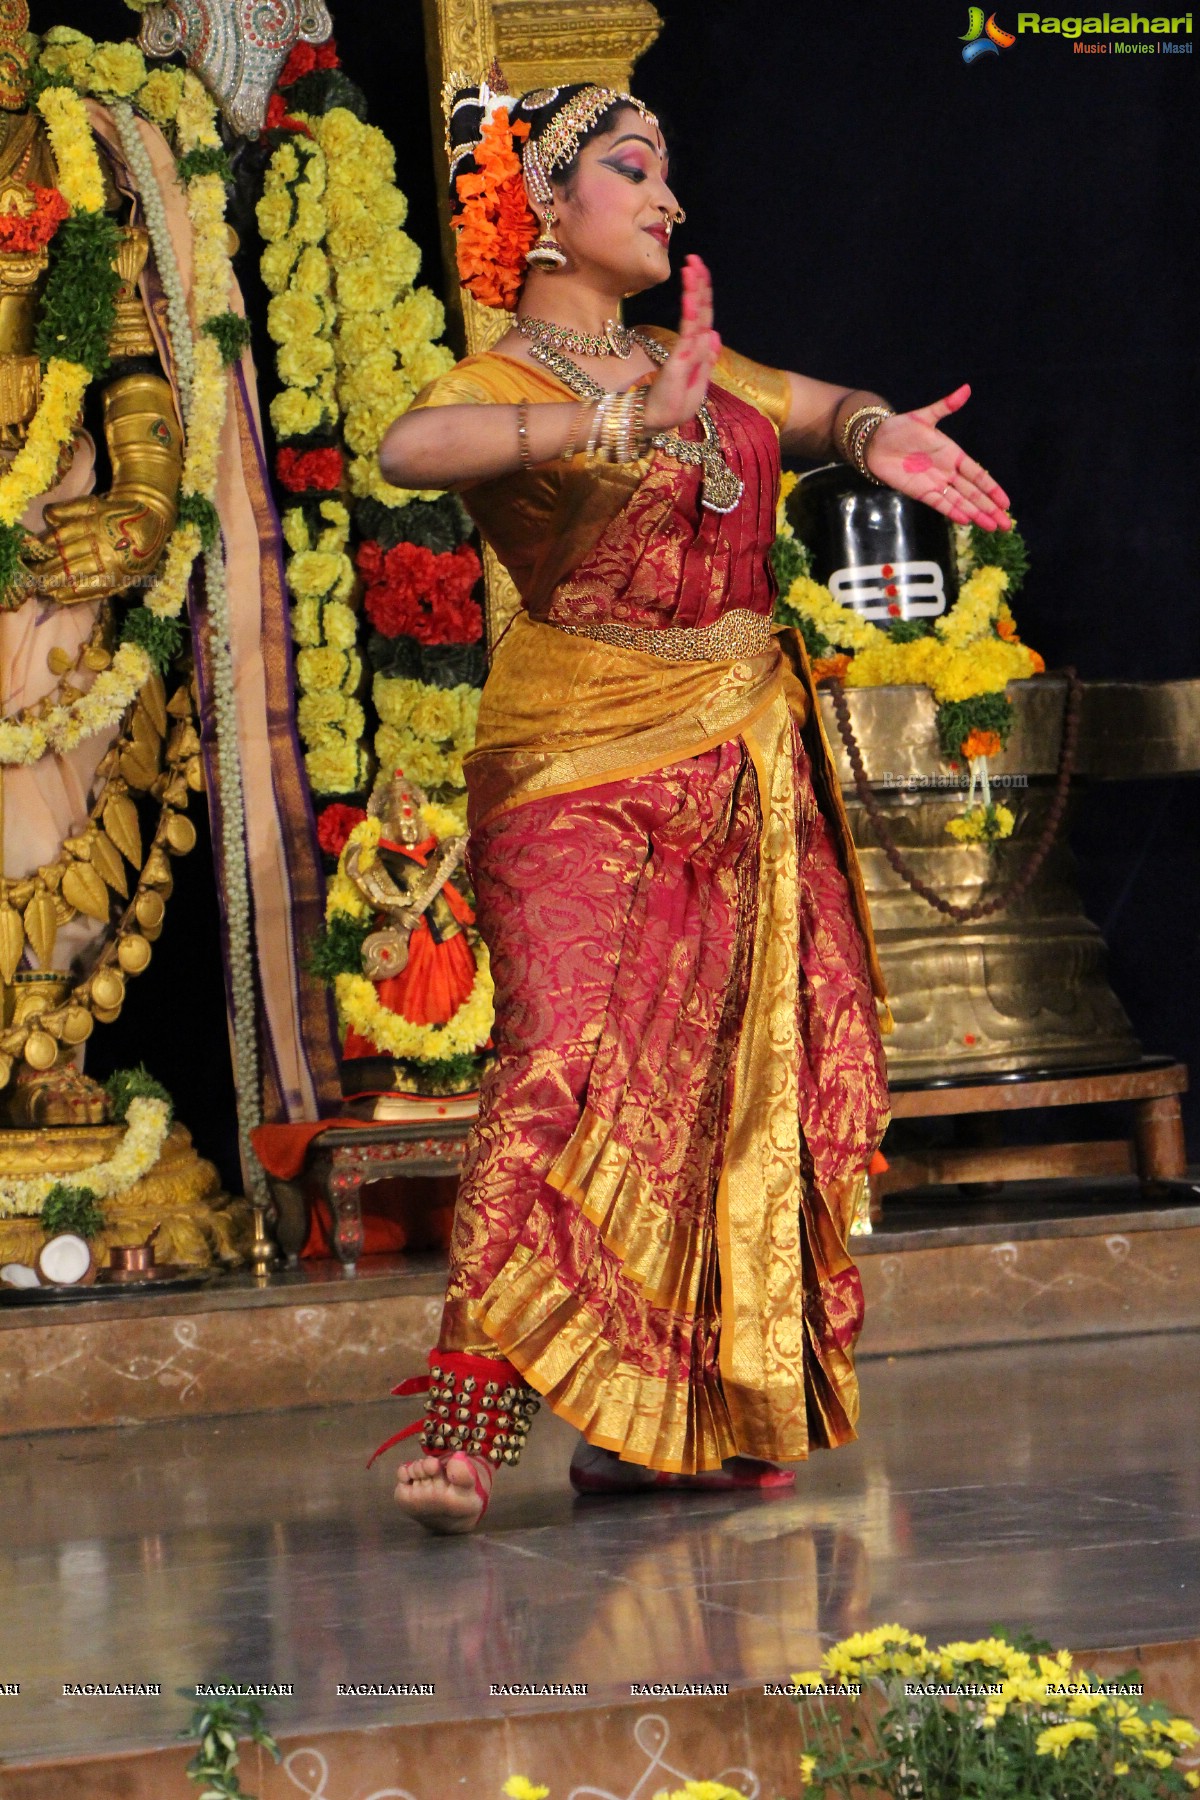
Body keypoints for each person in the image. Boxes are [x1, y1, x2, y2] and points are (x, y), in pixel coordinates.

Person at [367, 82, 1012, 1533]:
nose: (667, 201)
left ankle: (665, 1423)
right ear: (543, 198)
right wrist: (608, 419)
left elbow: (820, 407)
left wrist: (869, 438)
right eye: (632, 171)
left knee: (725, 1092)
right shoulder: (513, 381)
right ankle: (468, 1428)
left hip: (733, 752)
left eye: (667, 176)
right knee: (558, 1062)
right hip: (579, 760)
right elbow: (412, 453)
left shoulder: (693, 363)